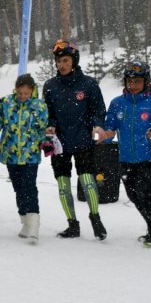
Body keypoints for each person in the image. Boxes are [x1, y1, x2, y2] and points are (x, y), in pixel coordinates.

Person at [99, 60, 151, 247]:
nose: (132, 86)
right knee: (133, 195)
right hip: (126, 158)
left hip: (149, 156)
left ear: (146, 81)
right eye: (129, 81)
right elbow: (110, 126)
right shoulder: (117, 103)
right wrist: (106, 134)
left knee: (145, 192)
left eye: (137, 82)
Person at [43, 40, 107, 240]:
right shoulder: (50, 86)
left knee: (87, 181)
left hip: (83, 140)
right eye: (58, 61)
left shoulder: (88, 84)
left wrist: (97, 125)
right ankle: (72, 224)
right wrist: (50, 125)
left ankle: (95, 218)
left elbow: (98, 109)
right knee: (63, 185)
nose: (61, 65)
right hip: (60, 144)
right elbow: (49, 113)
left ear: (74, 61)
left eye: (65, 60)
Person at [0, 74, 49, 241]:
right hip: (11, 154)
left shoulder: (39, 106)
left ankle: (34, 224)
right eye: (20, 93)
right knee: (18, 188)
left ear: (32, 91)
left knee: (29, 187)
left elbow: (44, 128)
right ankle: (25, 220)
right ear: (15, 89)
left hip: (30, 154)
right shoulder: (7, 103)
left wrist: (46, 143)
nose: (23, 97)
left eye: (26, 93)